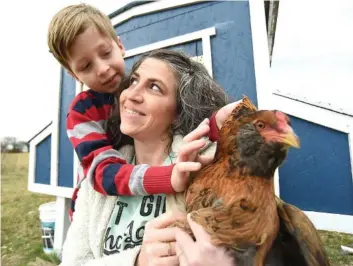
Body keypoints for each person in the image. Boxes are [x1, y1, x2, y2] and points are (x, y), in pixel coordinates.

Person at [58, 48, 238, 265]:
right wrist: (136, 261)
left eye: (154, 87)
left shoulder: (206, 166)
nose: (131, 95)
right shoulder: (99, 178)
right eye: (133, 81)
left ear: (179, 110)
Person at [47, 3, 224, 220]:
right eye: (86, 67)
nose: (102, 69)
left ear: (119, 44)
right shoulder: (82, 112)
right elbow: (104, 173)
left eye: (105, 53)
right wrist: (167, 177)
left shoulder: (133, 87)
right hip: (101, 209)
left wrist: (218, 122)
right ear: (73, 74)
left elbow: (185, 116)